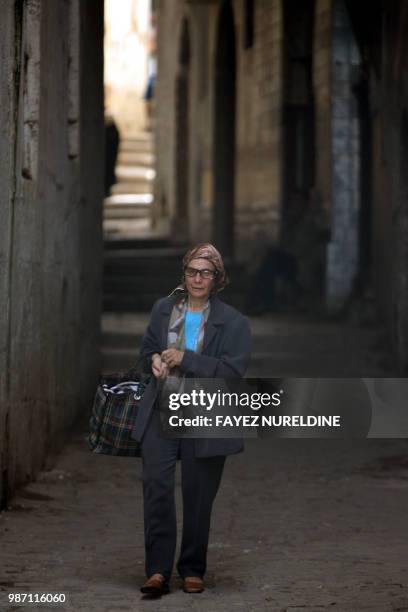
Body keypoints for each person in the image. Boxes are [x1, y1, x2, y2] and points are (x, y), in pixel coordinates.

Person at [131, 243, 251, 596]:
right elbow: (146, 351)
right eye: (192, 271)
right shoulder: (163, 309)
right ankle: (157, 570)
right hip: (162, 411)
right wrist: (153, 360)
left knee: (199, 497)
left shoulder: (233, 322)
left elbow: (231, 372)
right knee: (156, 488)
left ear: (218, 279)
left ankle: (193, 568)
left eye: (206, 273)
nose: (198, 279)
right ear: (183, 273)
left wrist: (186, 358)